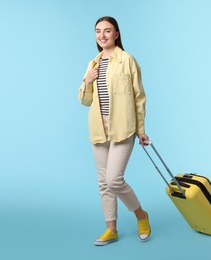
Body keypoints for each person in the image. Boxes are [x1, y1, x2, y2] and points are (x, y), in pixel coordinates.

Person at [78, 16, 151, 246]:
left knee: (113, 180)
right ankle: (111, 229)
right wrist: (87, 81)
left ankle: (141, 215)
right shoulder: (92, 63)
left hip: (123, 128)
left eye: (107, 31)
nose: (102, 35)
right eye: (98, 31)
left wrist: (141, 130)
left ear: (116, 34)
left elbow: (139, 98)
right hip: (99, 128)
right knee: (103, 182)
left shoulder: (127, 60)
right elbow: (84, 100)